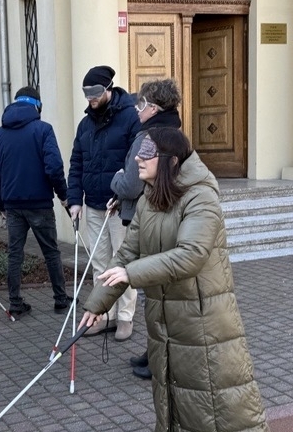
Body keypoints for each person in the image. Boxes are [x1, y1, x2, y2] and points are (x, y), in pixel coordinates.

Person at [80, 127, 269, 432]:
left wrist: (132, 273)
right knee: (171, 402)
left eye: (147, 153)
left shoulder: (201, 196)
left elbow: (191, 254)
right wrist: (97, 305)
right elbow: (127, 253)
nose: (137, 159)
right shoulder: (148, 198)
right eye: (138, 152)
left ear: (171, 160)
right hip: (164, 322)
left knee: (218, 407)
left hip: (202, 323)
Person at [111, 79, 183, 379]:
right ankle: (154, 351)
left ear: (154, 108)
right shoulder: (172, 132)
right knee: (156, 294)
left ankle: (160, 359)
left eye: (141, 104)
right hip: (156, 218)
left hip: (150, 220)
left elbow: (131, 184)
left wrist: (116, 179)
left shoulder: (149, 137)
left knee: (156, 295)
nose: (137, 109)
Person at [67, 65, 140, 341]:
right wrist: (75, 200)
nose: (91, 98)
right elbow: (77, 162)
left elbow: (134, 162)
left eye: (95, 92)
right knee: (100, 264)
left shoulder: (130, 117)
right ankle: (105, 315)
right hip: (94, 205)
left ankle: (125, 317)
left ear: (108, 88)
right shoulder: (85, 125)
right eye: (86, 93)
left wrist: (121, 195)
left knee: (123, 264)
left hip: (119, 206)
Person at [0, 86, 72, 319]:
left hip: (13, 205)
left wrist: (1, 204)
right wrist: (63, 195)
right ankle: (60, 299)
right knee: (51, 252)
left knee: (15, 254)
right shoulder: (43, 129)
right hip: (40, 203)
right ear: (37, 106)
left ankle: (15, 303)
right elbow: (54, 168)